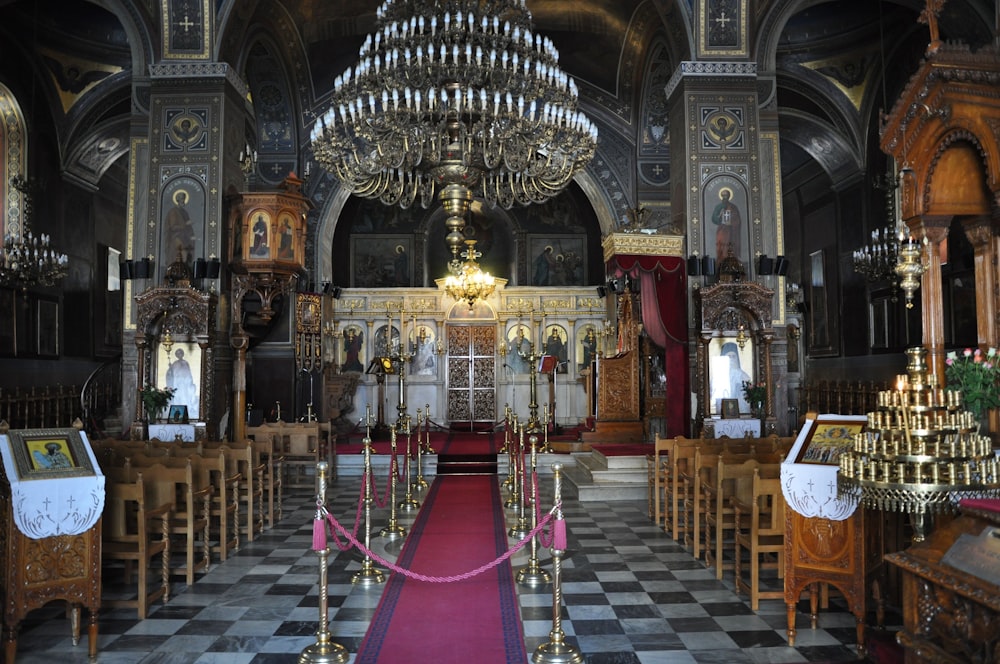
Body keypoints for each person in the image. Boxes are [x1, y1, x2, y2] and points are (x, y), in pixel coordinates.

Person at [166, 347, 199, 418]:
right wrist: (170, 368)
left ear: (182, 354)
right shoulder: (174, 364)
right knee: (178, 397)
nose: (179, 355)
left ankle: (187, 412)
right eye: (178, 353)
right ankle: (177, 413)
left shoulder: (185, 363)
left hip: (185, 384)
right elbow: (171, 374)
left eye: (180, 353)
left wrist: (189, 383)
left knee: (185, 397)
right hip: (177, 384)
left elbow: (188, 374)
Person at [711, 187, 741, 262]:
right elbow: (714, 218)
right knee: (721, 245)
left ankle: (731, 262)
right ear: (721, 196)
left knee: (730, 246)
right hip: (722, 229)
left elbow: (737, 219)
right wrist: (720, 216)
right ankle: (721, 261)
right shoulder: (718, 207)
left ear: (729, 196)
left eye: (726, 195)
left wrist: (731, 222)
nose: (725, 197)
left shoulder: (733, 207)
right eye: (723, 195)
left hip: (731, 230)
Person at [166, 189, 196, 263]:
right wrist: (185, 224)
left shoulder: (184, 212)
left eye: (184, 199)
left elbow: (189, 227)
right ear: (178, 200)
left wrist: (191, 236)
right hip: (176, 237)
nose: (183, 201)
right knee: (182, 254)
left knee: (187, 254)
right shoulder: (173, 212)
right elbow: (173, 227)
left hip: (185, 238)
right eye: (182, 199)